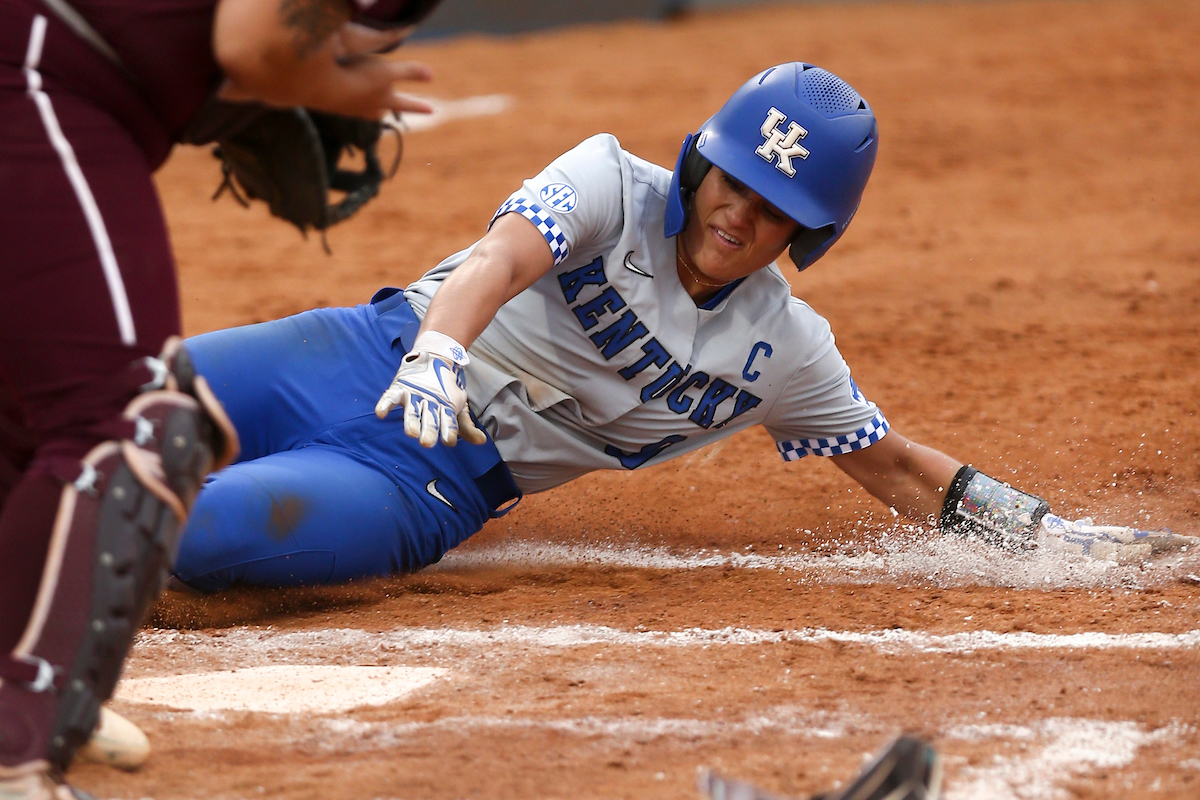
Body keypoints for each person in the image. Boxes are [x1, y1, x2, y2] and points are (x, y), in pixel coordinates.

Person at [169, 61, 1193, 595]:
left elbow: (895, 467)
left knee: (197, 527)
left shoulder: (784, 350)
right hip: (359, 353)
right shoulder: (611, 181)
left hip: (428, 481)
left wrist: (1051, 539)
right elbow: (498, 259)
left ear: (810, 233)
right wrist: (439, 347)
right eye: (732, 181)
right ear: (701, 164)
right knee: (90, 408)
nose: (737, 213)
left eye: (772, 206)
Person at [0, 0, 444, 796]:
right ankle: (15, 743)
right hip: (36, 74)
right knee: (128, 417)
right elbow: (252, 44)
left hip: (53, 74)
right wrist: (327, 85)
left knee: (26, 407)